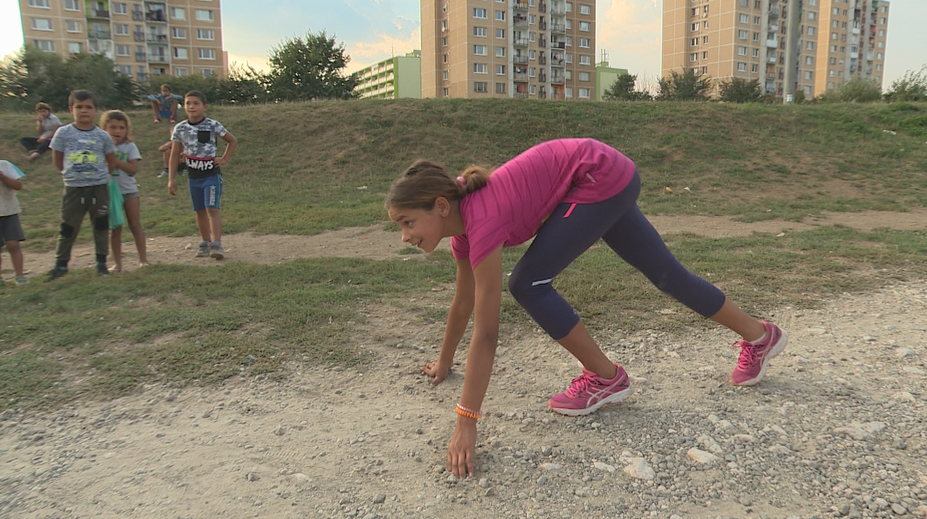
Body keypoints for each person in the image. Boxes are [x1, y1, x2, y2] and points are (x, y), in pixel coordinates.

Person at [385, 139, 788, 478]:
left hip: (598, 176)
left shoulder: (482, 220)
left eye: (407, 223)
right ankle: (760, 335)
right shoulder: (463, 233)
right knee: (667, 275)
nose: (404, 237)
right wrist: (444, 361)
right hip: (605, 173)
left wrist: (466, 420)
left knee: (528, 282)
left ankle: (606, 377)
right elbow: (463, 303)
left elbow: (488, 332)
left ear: (440, 206)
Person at [47, 90, 117, 282]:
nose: (83, 111)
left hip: (98, 187)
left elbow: (111, 161)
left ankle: (101, 263)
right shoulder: (63, 133)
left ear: (96, 111)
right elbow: (57, 159)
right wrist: (72, 175)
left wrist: (100, 176)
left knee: (101, 225)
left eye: (88, 107)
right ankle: (61, 265)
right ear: (71, 109)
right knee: (68, 227)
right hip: (74, 188)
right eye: (79, 107)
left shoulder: (102, 136)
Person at [168, 90, 237, 260]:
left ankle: (217, 244)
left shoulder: (213, 125)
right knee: (199, 210)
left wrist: (224, 158)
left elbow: (232, 140)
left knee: (212, 208)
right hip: (193, 176)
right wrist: (171, 179)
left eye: (196, 103)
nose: (191, 107)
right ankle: (205, 242)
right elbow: (174, 154)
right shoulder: (180, 128)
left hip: (210, 175)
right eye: (188, 103)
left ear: (204, 106)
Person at [100, 110, 148, 272]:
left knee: (135, 224)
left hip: (129, 191)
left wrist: (115, 160)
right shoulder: (101, 147)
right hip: (109, 192)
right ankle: (118, 264)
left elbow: (133, 169)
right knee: (115, 228)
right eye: (112, 127)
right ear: (104, 129)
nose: (117, 131)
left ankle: (143, 260)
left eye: (121, 127)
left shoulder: (130, 147)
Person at [0, 160, 28, 286]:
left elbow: (18, 186)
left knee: (13, 244)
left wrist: (3, 177)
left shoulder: (5, 165)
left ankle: (19, 275)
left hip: (9, 211)